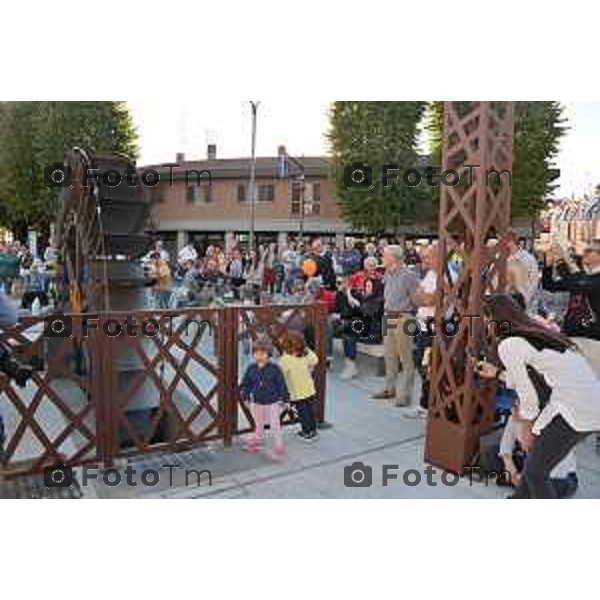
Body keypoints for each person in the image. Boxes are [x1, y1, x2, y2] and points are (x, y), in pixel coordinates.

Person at [475, 294, 600, 499]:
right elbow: (532, 379)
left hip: (575, 408)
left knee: (535, 474)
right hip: (586, 403)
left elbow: (528, 394)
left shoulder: (509, 344)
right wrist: (497, 373)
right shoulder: (536, 333)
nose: (484, 324)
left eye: (484, 318)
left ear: (492, 318)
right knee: (534, 469)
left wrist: (526, 428)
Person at [541, 240, 600, 378]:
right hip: (570, 336)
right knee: (571, 378)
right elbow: (550, 285)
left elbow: (579, 285)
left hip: (593, 339)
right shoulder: (583, 277)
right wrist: (548, 265)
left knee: (592, 380)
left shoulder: (591, 280)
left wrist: (562, 260)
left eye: (588, 251)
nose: (583, 253)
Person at [372, 245, 420, 406]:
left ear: (394, 257)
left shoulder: (409, 275)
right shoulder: (388, 273)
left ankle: (405, 394)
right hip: (388, 315)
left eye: (385, 255)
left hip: (404, 317)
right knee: (389, 355)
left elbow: (416, 299)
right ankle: (389, 388)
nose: (382, 258)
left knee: (405, 357)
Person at [238, 340, 288, 459]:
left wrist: (285, 400)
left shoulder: (275, 369)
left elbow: (282, 385)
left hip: (273, 402)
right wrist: (245, 397)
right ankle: (258, 439)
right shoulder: (251, 368)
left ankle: (279, 445)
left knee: (275, 424)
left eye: (262, 353)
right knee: (258, 423)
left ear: (268, 354)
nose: (259, 355)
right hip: (257, 402)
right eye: (256, 353)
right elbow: (246, 384)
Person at [279, 331, 319, 441]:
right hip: (309, 389)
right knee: (310, 411)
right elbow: (315, 360)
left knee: (303, 413)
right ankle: (313, 430)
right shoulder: (305, 355)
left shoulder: (285, 359)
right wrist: (307, 350)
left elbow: (280, 373)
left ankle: (306, 433)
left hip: (297, 392)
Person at [505, 229, 540, 312]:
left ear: (510, 241)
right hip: (502, 303)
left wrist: (524, 299)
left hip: (521, 304)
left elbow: (534, 282)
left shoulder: (528, 259)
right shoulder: (498, 258)